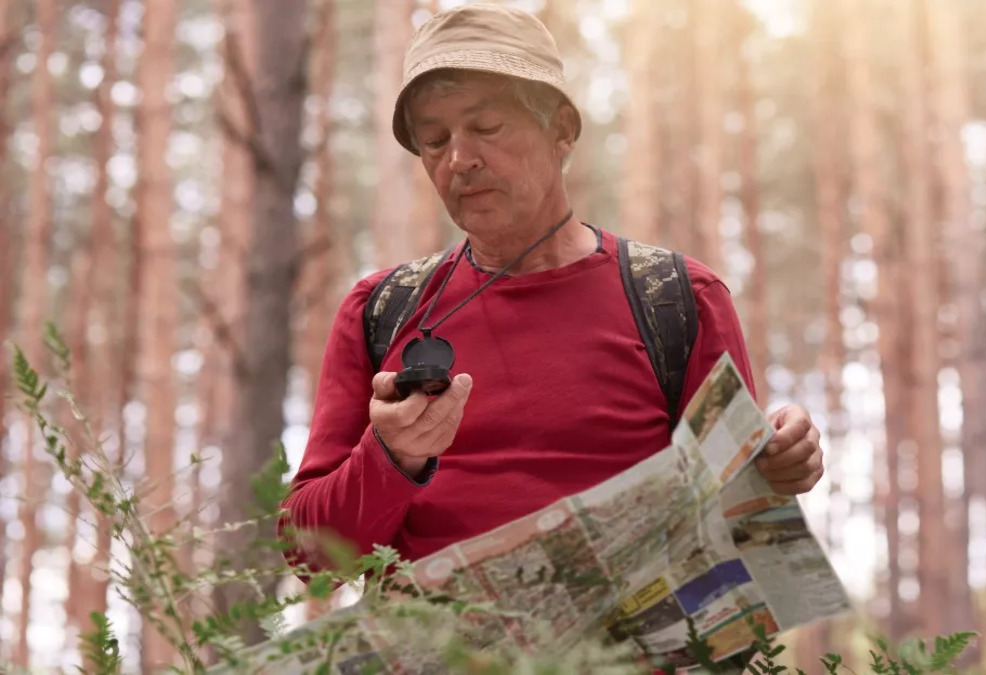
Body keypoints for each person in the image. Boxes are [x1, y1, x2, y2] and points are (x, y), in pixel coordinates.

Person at [281, 0, 825, 651]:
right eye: (435, 140)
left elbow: (737, 522)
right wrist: (391, 456)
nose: (460, 159)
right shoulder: (380, 311)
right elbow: (312, 555)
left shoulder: (679, 300)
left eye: (487, 126)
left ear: (562, 127)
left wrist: (781, 461)